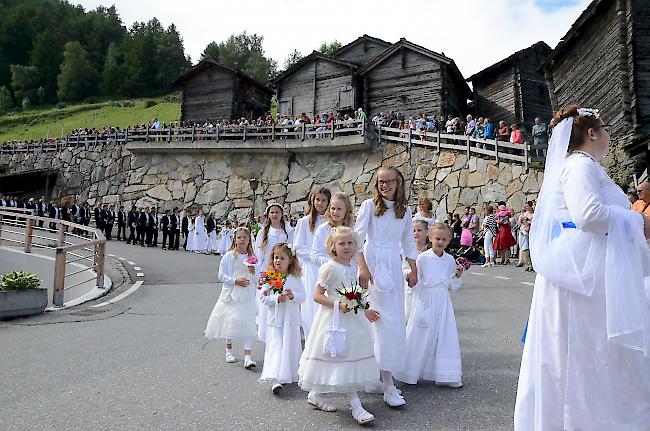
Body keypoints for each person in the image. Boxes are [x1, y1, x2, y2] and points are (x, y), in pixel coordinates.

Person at [514, 105, 650, 430]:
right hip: (584, 272)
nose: (609, 134)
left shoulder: (584, 166)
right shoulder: (580, 165)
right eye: (605, 127)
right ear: (591, 133)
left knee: (589, 350)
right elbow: (588, 215)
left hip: (585, 265)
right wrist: (636, 219)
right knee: (585, 349)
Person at [298, 226, 380, 425]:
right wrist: (338, 305)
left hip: (352, 318)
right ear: (332, 246)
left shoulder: (353, 266)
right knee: (338, 356)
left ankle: (316, 394)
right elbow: (317, 296)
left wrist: (366, 309)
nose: (346, 247)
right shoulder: (329, 267)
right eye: (341, 243)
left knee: (346, 356)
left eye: (350, 243)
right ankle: (356, 406)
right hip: (333, 318)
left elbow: (355, 294)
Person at [355, 167, 418, 407]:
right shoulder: (369, 206)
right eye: (380, 182)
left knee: (392, 323)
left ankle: (388, 380)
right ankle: (378, 380)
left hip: (392, 264)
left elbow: (409, 242)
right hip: (372, 263)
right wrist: (363, 268)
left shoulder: (405, 210)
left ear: (398, 183)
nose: (384, 186)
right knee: (375, 320)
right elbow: (358, 238)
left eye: (389, 181)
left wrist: (414, 269)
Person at [395, 222, 464, 387]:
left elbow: (450, 285)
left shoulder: (449, 260)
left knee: (444, 336)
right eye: (437, 238)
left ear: (449, 241)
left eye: (444, 239)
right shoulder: (423, 258)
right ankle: (410, 372)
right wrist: (411, 282)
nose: (440, 242)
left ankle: (446, 375)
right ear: (430, 238)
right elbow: (417, 281)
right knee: (420, 335)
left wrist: (457, 276)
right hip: (425, 301)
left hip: (443, 303)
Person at [205, 227, 259, 368]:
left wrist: (253, 272)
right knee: (231, 321)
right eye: (239, 237)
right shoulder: (229, 256)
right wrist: (235, 281)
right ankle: (229, 350)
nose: (242, 240)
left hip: (247, 295)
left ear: (249, 241)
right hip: (233, 294)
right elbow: (221, 275)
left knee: (248, 322)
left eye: (244, 238)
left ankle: (248, 356)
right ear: (235, 239)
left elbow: (257, 279)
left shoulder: (252, 258)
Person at [259, 243, 305, 395]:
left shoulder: (296, 278)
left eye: (282, 258)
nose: (278, 261)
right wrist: (276, 298)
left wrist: (293, 296)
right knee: (276, 346)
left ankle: (289, 373)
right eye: (276, 257)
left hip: (290, 319)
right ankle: (275, 378)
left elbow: (303, 296)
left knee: (289, 345)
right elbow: (263, 298)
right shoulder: (269, 277)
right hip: (276, 320)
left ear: (290, 260)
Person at [293, 187, 331, 339]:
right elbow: (298, 247)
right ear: (312, 201)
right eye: (317, 200)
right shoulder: (304, 222)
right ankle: (310, 340)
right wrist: (316, 256)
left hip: (328, 269)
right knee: (310, 305)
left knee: (326, 303)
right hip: (310, 268)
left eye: (323, 200)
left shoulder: (331, 222)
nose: (320, 203)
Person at [255, 203, 293, 342]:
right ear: (268, 215)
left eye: (277, 212)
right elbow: (259, 252)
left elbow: (291, 250)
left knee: (282, 297)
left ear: (281, 214)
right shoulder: (263, 231)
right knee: (268, 298)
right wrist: (259, 271)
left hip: (283, 269)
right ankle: (266, 331)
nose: (275, 215)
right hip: (268, 269)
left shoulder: (288, 231)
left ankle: (281, 328)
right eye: (272, 212)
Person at [311, 192, 354, 269]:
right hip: (329, 272)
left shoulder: (352, 229)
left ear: (346, 210)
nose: (335, 212)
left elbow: (357, 252)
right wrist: (333, 263)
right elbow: (315, 255)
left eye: (339, 209)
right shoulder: (323, 229)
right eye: (333, 208)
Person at [405, 219, 430, 321]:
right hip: (410, 287)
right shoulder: (407, 250)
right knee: (408, 314)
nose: (416, 233)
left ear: (427, 232)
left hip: (425, 288)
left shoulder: (430, 251)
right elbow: (403, 268)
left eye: (419, 230)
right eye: (413, 231)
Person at [516, 202, 534, 271]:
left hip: (529, 232)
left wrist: (528, 221)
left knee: (527, 248)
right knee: (523, 248)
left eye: (527, 206)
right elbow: (520, 222)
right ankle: (527, 264)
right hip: (523, 231)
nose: (526, 208)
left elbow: (533, 222)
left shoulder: (533, 214)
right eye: (525, 206)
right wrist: (522, 219)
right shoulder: (524, 214)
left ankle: (530, 264)